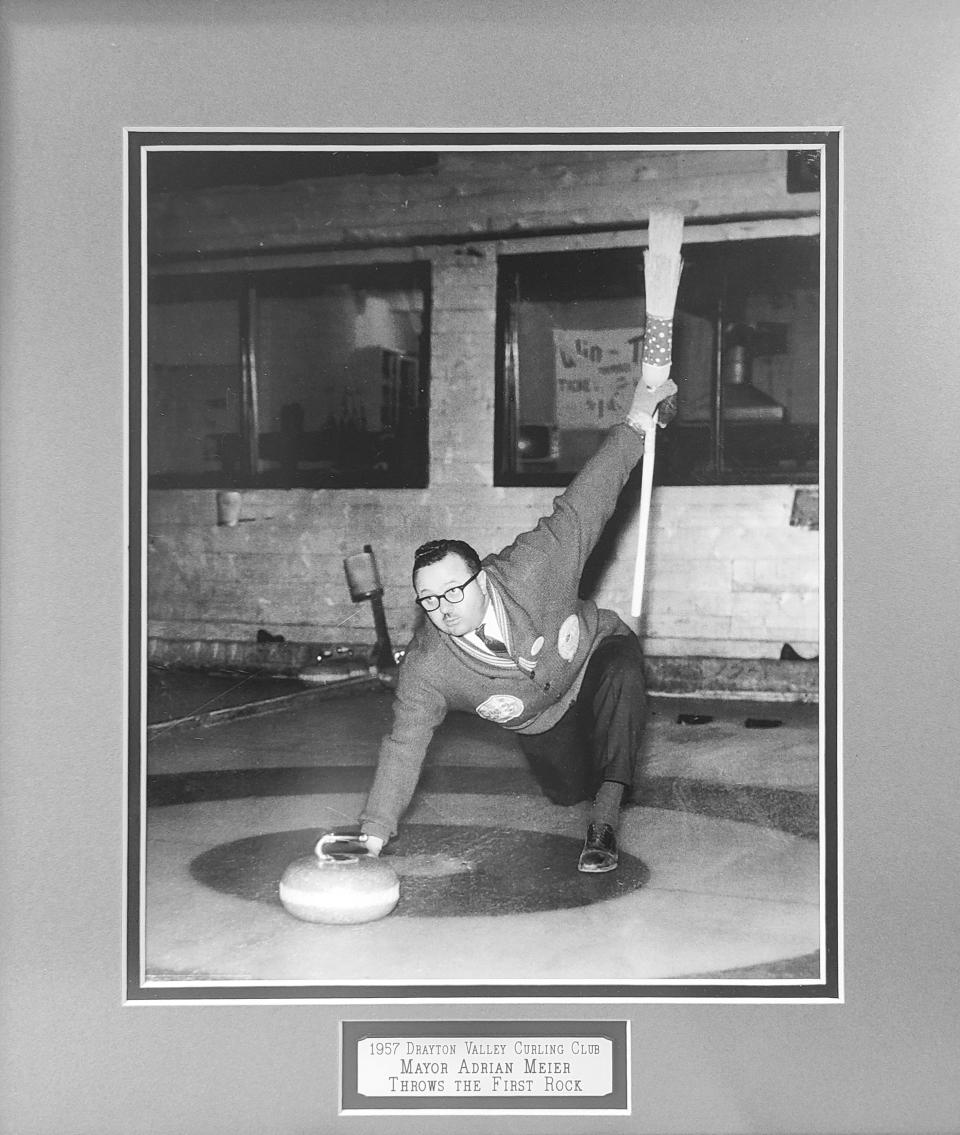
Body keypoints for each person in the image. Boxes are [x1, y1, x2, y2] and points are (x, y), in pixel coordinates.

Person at [353, 376, 677, 873]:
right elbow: (403, 746)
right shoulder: (426, 668)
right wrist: (371, 839)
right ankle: (591, 778)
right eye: (429, 599)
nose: (443, 607)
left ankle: (604, 823)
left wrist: (637, 420)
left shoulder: (533, 567)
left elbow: (586, 500)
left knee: (622, 680)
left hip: (595, 655)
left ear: (481, 579)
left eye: (454, 590)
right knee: (568, 793)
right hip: (542, 720)